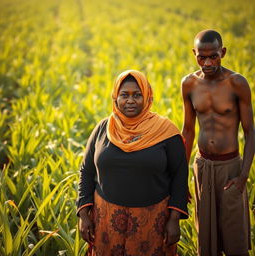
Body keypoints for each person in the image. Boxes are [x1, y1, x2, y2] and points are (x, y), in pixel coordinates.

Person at [77, 70, 189, 256]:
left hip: (153, 220)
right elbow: (86, 171)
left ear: (147, 97)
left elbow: (179, 175)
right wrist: (83, 215)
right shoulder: (103, 129)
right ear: (115, 98)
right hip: (106, 219)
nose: (130, 100)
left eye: (137, 95)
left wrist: (174, 219)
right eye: (124, 95)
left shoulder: (165, 131)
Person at [181, 29, 255, 256]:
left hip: (230, 167)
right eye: (201, 57)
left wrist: (243, 176)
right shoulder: (189, 84)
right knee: (207, 237)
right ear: (194, 54)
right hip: (202, 167)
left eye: (213, 56)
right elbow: (188, 131)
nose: (207, 62)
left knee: (235, 239)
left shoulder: (237, 83)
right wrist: (181, 177)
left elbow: (250, 131)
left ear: (222, 52)